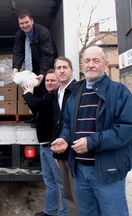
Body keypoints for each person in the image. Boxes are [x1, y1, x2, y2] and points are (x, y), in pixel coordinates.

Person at [51, 46, 132, 216]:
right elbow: (68, 124)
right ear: (81, 66)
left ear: (105, 65)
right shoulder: (75, 94)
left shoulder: (119, 92)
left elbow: (126, 129)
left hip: (108, 170)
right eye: (87, 61)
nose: (91, 65)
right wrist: (65, 139)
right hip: (80, 171)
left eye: (96, 60)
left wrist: (91, 142)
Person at [23, 70, 67, 216]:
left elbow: (35, 105)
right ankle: (50, 211)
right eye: (47, 80)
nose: (49, 83)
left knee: (61, 183)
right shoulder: (47, 95)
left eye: (52, 80)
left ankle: (65, 213)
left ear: (59, 82)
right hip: (44, 146)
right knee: (49, 181)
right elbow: (38, 107)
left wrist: (28, 92)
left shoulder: (54, 97)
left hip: (52, 147)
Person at [12, 10, 55, 127]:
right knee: (29, 92)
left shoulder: (43, 32)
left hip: (43, 65)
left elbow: (47, 55)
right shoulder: (19, 35)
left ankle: (43, 119)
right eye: (21, 23)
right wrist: (15, 68)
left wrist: (42, 73)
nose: (24, 25)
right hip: (29, 66)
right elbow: (18, 52)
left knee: (42, 92)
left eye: (26, 22)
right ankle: (35, 116)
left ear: (32, 20)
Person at [52, 56, 77, 216]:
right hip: (61, 150)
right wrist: (56, 152)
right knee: (67, 192)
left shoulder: (77, 91)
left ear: (71, 70)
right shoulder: (57, 93)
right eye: (58, 68)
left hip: (75, 150)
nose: (61, 70)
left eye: (65, 67)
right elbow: (58, 123)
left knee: (77, 192)